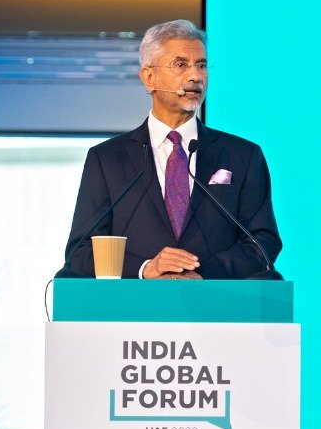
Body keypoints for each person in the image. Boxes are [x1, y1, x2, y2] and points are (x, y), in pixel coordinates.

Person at [58, 19, 281, 279]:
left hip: (217, 299)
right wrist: (146, 268)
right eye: (180, 65)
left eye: (201, 65)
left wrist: (203, 273)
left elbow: (262, 241)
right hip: (135, 302)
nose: (196, 76)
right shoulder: (107, 159)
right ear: (149, 78)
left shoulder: (243, 156)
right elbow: (82, 250)